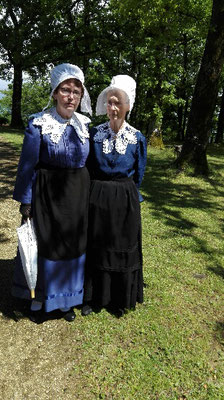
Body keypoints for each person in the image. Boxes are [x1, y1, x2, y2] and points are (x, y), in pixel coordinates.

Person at [12, 63, 92, 322]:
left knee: (72, 245)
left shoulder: (84, 126)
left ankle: (67, 300)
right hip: (47, 194)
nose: (71, 97)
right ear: (55, 92)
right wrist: (26, 202)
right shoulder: (39, 125)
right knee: (47, 244)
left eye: (76, 92)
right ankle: (40, 297)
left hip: (77, 195)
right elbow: (27, 167)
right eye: (66, 90)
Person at [82, 74, 147, 318]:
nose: (113, 107)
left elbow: (139, 174)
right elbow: (88, 167)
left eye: (118, 102)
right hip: (97, 197)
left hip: (125, 199)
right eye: (110, 102)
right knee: (97, 245)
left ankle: (119, 298)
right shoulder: (94, 134)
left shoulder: (137, 138)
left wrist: (125, 193)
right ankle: (94, 297)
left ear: (128, 105)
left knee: (122, 245)